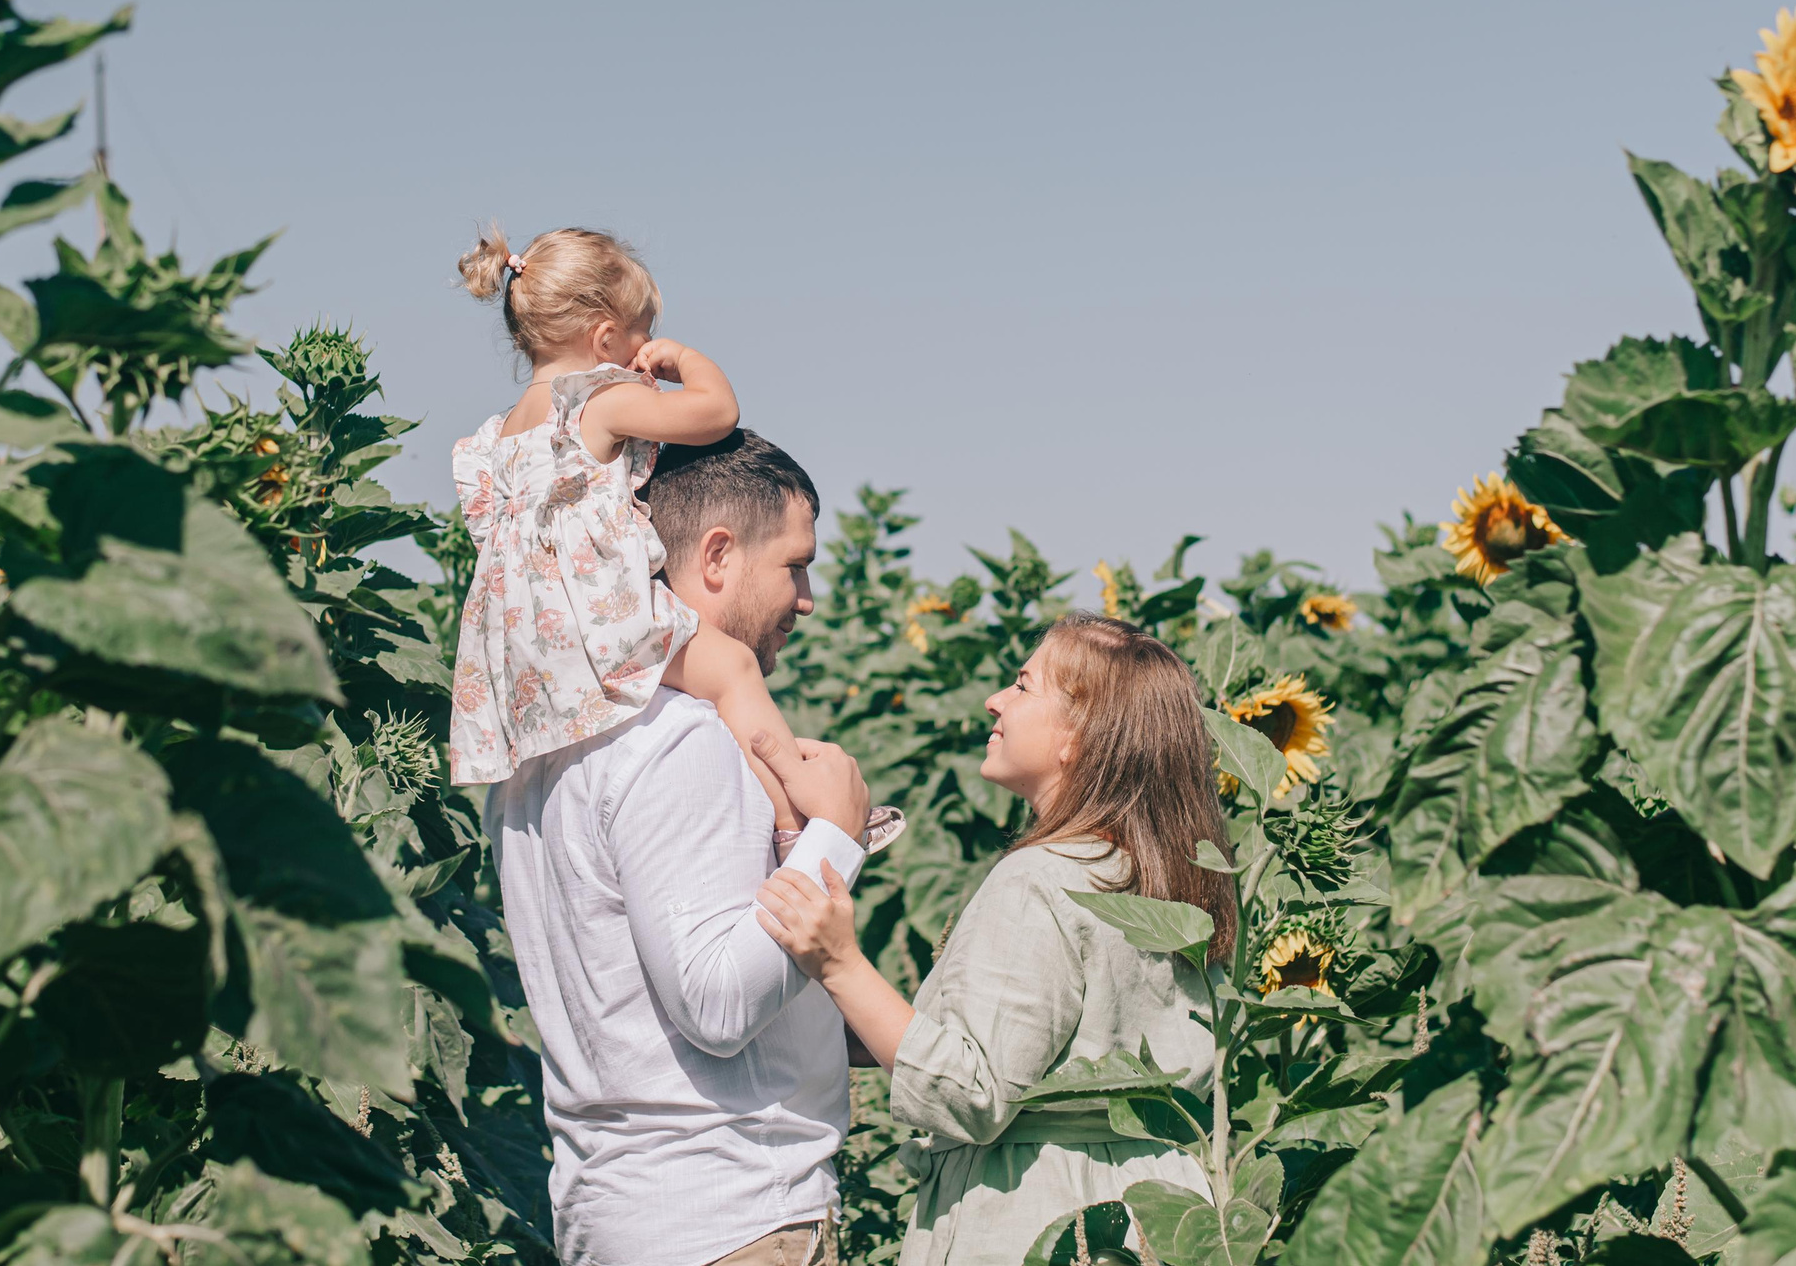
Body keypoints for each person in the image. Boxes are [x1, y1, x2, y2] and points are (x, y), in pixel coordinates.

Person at [486, 427, 876, 1266]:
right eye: (795, 564)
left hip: (620, 1212)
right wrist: (836, 839)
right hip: (731, 1216)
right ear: (719, 554)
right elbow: (717, 1001)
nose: (806, 598)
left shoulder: (538, 750)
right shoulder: (683, 739)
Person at [753, 613, 1238, 1266]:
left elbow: (973, 1090)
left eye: (1022, 684)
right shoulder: (1172, 881)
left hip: (1040, 1216)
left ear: (1078, 735)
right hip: (1159, 1210)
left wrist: (840, 963)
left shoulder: (1041, 880)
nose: (995, 700)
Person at [451, 223, 816, 836]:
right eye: (642, 332)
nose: (647, 347)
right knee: (733, 672)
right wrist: (686, 360)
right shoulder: (596, 402)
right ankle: (796, 816)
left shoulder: (496, 439)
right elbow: (716, 414)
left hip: (529, 651)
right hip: (600, 622)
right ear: (604, 337)